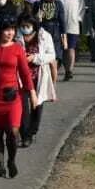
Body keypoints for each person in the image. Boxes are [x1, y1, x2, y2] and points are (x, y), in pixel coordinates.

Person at [0, 20, 36, 180]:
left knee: (12, 132)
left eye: (13, 30)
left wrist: (32, 93)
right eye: (7, 30)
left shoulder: (17, 48)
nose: (10, 33)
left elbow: (25, 73)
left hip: (12, 97)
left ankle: (11, 161)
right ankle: (0, 167)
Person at [18, 15, 57, 146]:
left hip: (38, 74)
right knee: (22, 106)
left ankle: (32, 132)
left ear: (34, 26)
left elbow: (51, 55)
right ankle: (24, 135)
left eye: (28, 26)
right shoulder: (17, 36)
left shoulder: (44, 36)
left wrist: (35, 57)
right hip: (21, 76)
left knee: (37, 105)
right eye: (22, 26)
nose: (25, 29)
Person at [32, 0, 66, 75]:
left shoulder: (58, 4)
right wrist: (37, 18)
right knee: (45, 60)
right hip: (42, 33)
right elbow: (32, 22)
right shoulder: (37, 4)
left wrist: (64, 37)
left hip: (55, 33)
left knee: (55, 60)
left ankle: (53, 87)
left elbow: (62, 21)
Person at [57, 0, 84, 79]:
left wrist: (78, 18)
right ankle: (65, 67)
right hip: (61, 26)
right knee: (64, 48)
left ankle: (69, 70)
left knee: (71, 48)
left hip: (73, 26)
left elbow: (82, 9)